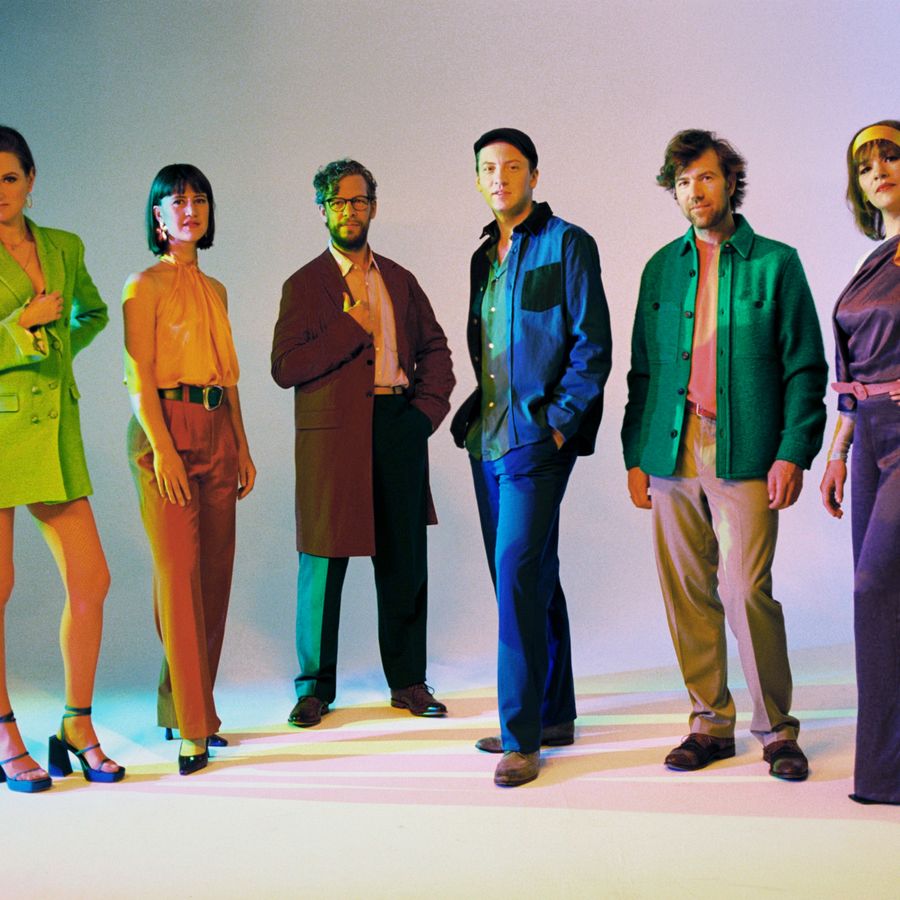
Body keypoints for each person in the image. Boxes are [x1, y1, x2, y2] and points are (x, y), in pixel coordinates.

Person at [622, 129, 828, 780]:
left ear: (731, 180)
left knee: (745, 590)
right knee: (687, 592)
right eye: (683, 182)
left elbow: (805, 367)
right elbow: (643, 371)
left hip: (747, 449)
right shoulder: (660, 268)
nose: (695, 191)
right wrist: (635, 453)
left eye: (706, 177)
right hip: (670, 447)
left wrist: (794, 451)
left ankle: (777, 731)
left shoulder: (776, 263)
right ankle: (709, 724)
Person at [450, 129, 612, 787]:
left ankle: (520, 739)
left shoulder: (568, 243)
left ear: (534, 176)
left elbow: (592, 344)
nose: (499, 178)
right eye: (488, 168)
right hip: (487, 440)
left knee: (516, 573)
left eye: (512, 167)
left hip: (536, 441)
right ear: (478, 179)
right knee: (528, 571)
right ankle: (554, 714)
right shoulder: (482, 255)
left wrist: (559, 426)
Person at [271, 159, 454, 728]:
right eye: (337, 202)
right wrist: (351, 327)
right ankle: (313, 689)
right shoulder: (304, 284)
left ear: (373, 206)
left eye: (358, 200)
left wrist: (423, 415)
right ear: (322, 210)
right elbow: (285, 367)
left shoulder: (400, 279)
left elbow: (436, 350)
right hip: (331, 438)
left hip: (398, 425)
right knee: (323, 562)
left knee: (404, 559)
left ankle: (408, 681)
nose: (348, 211)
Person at [0, 124, 123, 792]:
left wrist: (55, 347)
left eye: (9, 178)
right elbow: (25, 326)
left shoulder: (63, 246)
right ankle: (4, 732)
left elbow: (92, 313)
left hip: (53, 430)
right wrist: (20, 329)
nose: (0, 191)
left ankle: (76, 723)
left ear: (31, 180)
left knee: (91, 581)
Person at [123, 164, 256, 775]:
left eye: (199, 199)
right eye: (176, 201)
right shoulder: (143, 285)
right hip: (165, 430)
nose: (190, 209)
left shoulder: (217, 289)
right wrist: (163, 449)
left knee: (213, 578)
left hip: (216, 429)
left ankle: (181, 707)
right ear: (158, 216)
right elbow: (138, 376)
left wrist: (242, 446)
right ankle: (196, 728)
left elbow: (227, 376)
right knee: (177, 576)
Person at [819, 120, 900, 806]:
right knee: (876, 598)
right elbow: (854, 372)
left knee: (878, 586)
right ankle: (883, 774)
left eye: (892, 156)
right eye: (866, 164)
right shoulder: (872, 261)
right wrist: (838, 451)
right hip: (868, 436)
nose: (879, 170)